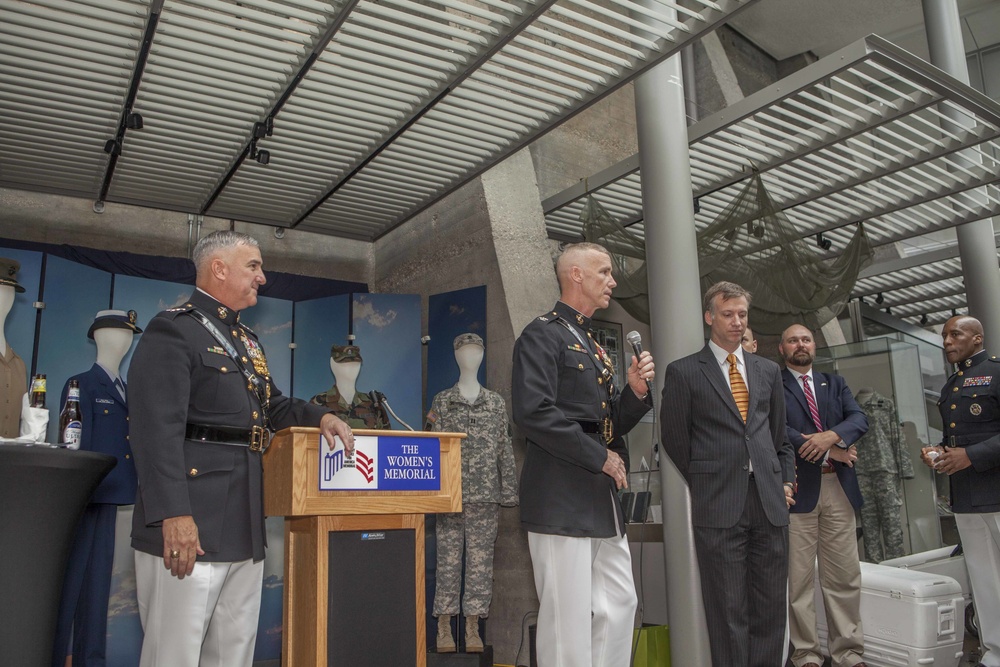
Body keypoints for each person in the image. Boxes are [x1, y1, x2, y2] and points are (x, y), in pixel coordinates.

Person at [128, 230, 355, 667]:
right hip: (190, 521)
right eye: (253, 266)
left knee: (232, 654)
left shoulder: (246, 341)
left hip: (243, 521)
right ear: (219, 268)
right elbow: (155, 432)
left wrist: (321, 417)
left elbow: (273, 405)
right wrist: (173, 514)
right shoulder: (173, 330)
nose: (262, 277)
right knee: (172, 655)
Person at [512, 242, 654, 667]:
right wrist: (600, 457)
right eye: (604, 272)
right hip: (561, 491)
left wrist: (635, 392)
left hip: (600, 494)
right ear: (575, 275)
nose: (612, 281)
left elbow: (607, 422)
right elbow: (532, 413)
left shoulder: (590, 343)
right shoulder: (543, 333)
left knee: (619, 604)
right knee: (567, 618)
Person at [661, 281, 794, 667]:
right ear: (709, 317)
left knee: (771, 609)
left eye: (742, 315)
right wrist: (708, 480)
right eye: (728, 314)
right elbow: (674, 439)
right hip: (718, 505)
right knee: (727, 611)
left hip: (769, 503)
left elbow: (779, 438)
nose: (737, 322)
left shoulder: (768, 370)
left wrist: (783, 481)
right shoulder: (684, 372)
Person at [52, 310, 143, 667]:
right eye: (119, 334)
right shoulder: (81, 384)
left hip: (115, 495)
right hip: (85, 496)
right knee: (70, 584)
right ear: (101, 336)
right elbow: (72, 444)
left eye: (128, 335)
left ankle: (92, 659)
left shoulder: (127, 389)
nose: (124, 341)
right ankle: (54, 655)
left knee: (99, 586)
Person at [779, 323, 869, 667]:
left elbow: (859, 419)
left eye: (805, 339)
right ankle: (805, 655)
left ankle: (848, 652)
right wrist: (830, 451)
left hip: (839, 490)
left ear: (813, 345)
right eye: (792, 340)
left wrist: (829, 437)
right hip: (799, 491)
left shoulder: (834, 382)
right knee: (798, 581)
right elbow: (778, 429)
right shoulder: (774, 384)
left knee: (844, 575)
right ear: (782, 349)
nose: (800, 344)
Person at [426, 332, 518, 653]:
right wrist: (431, 492)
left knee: (480, 564)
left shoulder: (495, 403)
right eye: (465, 350)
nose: (471, 355)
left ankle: (473, 626)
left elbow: (505, 449)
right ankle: (444, 626)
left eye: (476, 349)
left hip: (485, 496)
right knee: (448, 562)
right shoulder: (441, 401)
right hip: (450, 496)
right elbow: (429, 448)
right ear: (455, 355)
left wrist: (509, 492)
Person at [920, 315, 1000, 667]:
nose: (947, 341)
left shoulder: (997, 373)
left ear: (977, 338)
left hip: (997, 491)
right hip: (966, 496)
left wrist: (970, 455)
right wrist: (939, 451)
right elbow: (958, 438)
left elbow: (974, 446)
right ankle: (994, 651)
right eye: (944, 335)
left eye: (956, 334)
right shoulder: (953, 383)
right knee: (983, 579)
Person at [854, 388, 914, 562]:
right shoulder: (849, 406)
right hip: (860, 471)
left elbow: (897, 436)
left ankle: (898, 566)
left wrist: (905, 468)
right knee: (868, 524)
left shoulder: (885, 404)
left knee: (892, 521)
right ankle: (876, 569)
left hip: (885, 469)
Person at [309, 344, 390, 428]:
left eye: (355, 365)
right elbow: (308, 437)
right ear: (333, 365)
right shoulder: (318, 403)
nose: (351, 369)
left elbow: (386, 439)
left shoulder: (373, 404)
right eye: (345, 365)